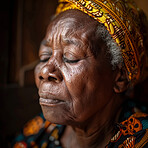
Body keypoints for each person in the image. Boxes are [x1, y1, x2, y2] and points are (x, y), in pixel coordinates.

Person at [13, 0, 148, 147]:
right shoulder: (40, 131)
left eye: (71, 58)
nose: (45, 71)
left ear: (120, 77)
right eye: (45, 56)